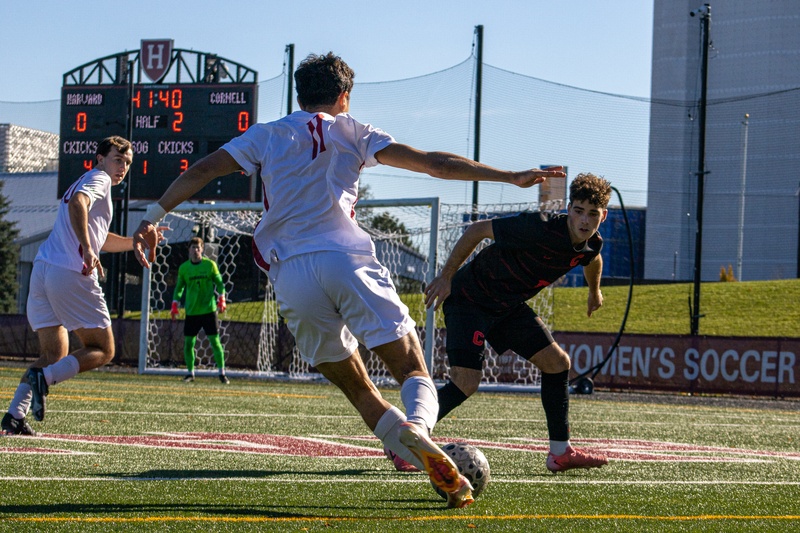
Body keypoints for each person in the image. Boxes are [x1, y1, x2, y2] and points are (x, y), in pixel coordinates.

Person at [132, 52, 565, 508]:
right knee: (413, 368)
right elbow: (434, 163)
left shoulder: (268, 134)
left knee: (358, 388)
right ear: (344, 96)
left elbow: (202, 170)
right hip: (346, 260)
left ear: (300, 95)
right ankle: (417, 428)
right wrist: (510, 175)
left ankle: (411, 447)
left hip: (292, 274)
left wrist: (153, 215)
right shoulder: (353, 130)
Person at [423, 173, 611, 473]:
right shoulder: (537, 227)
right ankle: (407, 442)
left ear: (603, 215)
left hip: (507, 306)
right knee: (466, 383)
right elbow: (476, 230)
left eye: (592, 214)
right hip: (470, 297)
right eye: (578, 211)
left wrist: (594, 291)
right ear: (569, 208)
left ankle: (560, 454)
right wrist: (445, 276)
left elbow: (593, 260)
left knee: (557, 363)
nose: (584, 221)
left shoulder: (591, 244)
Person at [1, 136, 166, 436]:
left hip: (44, 269)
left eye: (128, 163)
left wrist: (134, 242)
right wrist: (88, 249)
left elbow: (98, 234)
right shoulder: (99, 178)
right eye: (118, 159)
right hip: (70, 272)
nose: (123, 167)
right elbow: (80, 205)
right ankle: (44, 380)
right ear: (100, 158)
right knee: (103, 349)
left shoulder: (87, 180)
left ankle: (14, 415)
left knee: (54, 354)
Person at [171, 237, 229, 384]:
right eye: (193, 248)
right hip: (192, 312)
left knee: (215, 342)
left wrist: (222, 298)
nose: (195, 250)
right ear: (188, 250)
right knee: (189, 343)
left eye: (198, 248)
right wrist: (174, 303)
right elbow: (179, 288)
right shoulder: (184, 268)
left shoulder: (210, 265)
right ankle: (190, 373)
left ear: (202, 249)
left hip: (209, 310)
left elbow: (220, 284)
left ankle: (222, 374)